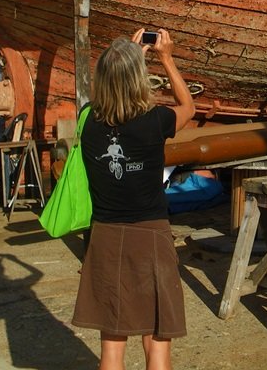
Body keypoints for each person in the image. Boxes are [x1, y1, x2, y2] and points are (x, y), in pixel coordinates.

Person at [72, 28, 196, 370]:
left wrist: (128, 55)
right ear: (138, 77)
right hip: (150, 238)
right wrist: (165, 58)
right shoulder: (154, 121)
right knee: (156, 344)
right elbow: (189, 106)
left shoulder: (88, 121)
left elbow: (112, 94)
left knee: (112, 348)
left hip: (105, 238)